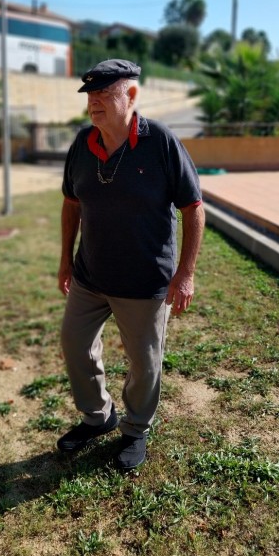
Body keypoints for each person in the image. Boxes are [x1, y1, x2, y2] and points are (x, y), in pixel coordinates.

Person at [56, 58, 205, 471]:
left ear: (132, 95)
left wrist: (186, 274)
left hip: (144, 281)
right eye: (91, 95)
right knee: (75, 344)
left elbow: (193, 207)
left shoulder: (160, 142)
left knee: (144, 362)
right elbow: (71, 203)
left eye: (105, 93)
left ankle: (136, 428)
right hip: (90, 275)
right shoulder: (83, 144)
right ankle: (98, 417)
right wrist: (65, 260)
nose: (95, 102)